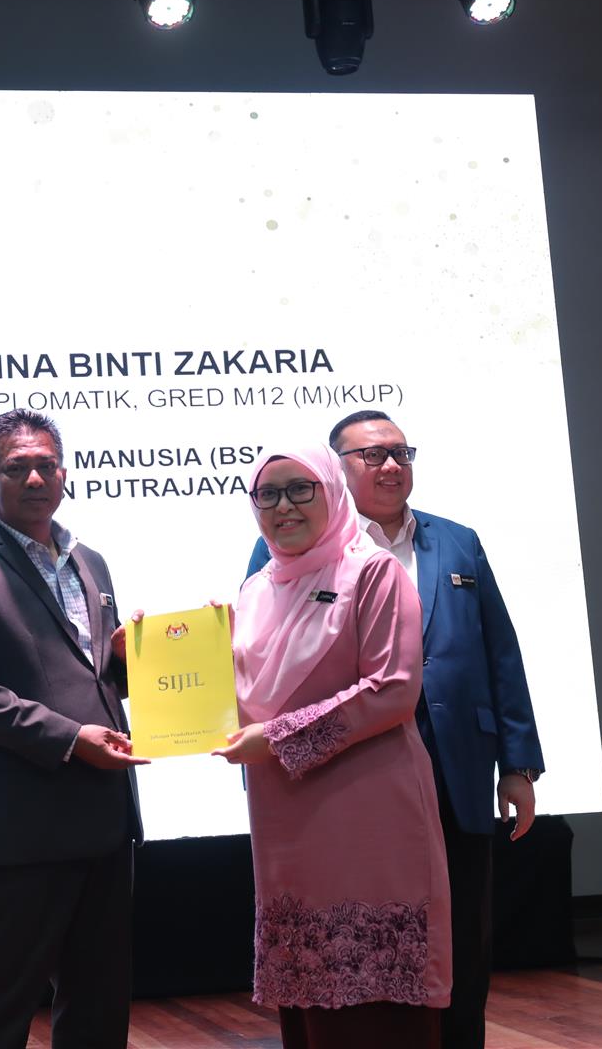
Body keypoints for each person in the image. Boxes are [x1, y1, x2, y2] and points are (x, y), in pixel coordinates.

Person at [247, 410, 546, 1049]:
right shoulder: (287, 544)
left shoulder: (457, 541)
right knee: (359, 955)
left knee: (460, 942)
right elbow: (258, 661)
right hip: (345, 775)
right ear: (336, 471)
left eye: (400, 453)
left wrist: (518, 764)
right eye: (372, 455)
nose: (390, 465)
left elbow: (500, 652)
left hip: (455, 765)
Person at [0, 409, 147, 1049]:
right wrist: (71, 739)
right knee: (1, 1005)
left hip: (105, 817)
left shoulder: (88, 561)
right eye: (17, 468)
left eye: (47, 465)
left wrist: (134, 662)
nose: (36, 478)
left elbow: (92, 678)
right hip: (21, 825)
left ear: (65, 474)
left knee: (100, 1000)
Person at [220, 443, 451, 1048]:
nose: (283, 506)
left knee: (376, 1004)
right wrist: (147, 656)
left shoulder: (372, 572)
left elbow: (392, 689)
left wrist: (278, 738)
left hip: (369, 811)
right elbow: (238, 693)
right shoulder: (256, 590)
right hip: (286, 819)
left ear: (332, 491)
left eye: (301, 489)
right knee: (310, 1002)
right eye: (267, 494)